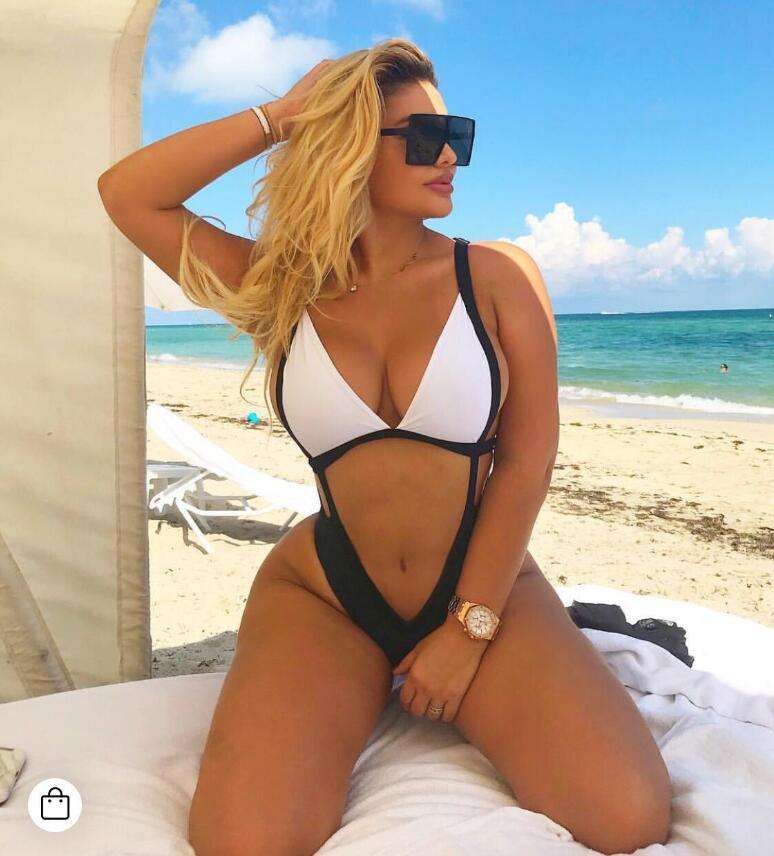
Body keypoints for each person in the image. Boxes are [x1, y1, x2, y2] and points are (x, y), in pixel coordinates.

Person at [98, 38, 671, 856]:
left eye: (458, 135)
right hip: (330, 593)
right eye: (426, 136)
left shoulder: (496, 276)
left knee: (626, 816)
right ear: (349, 145)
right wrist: (281, 116)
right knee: (243, 843)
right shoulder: (279, 291)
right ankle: (359, 677)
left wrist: (468, 630)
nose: (451, 157)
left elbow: (526, 460)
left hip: (479, 583)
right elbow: (128, 195)